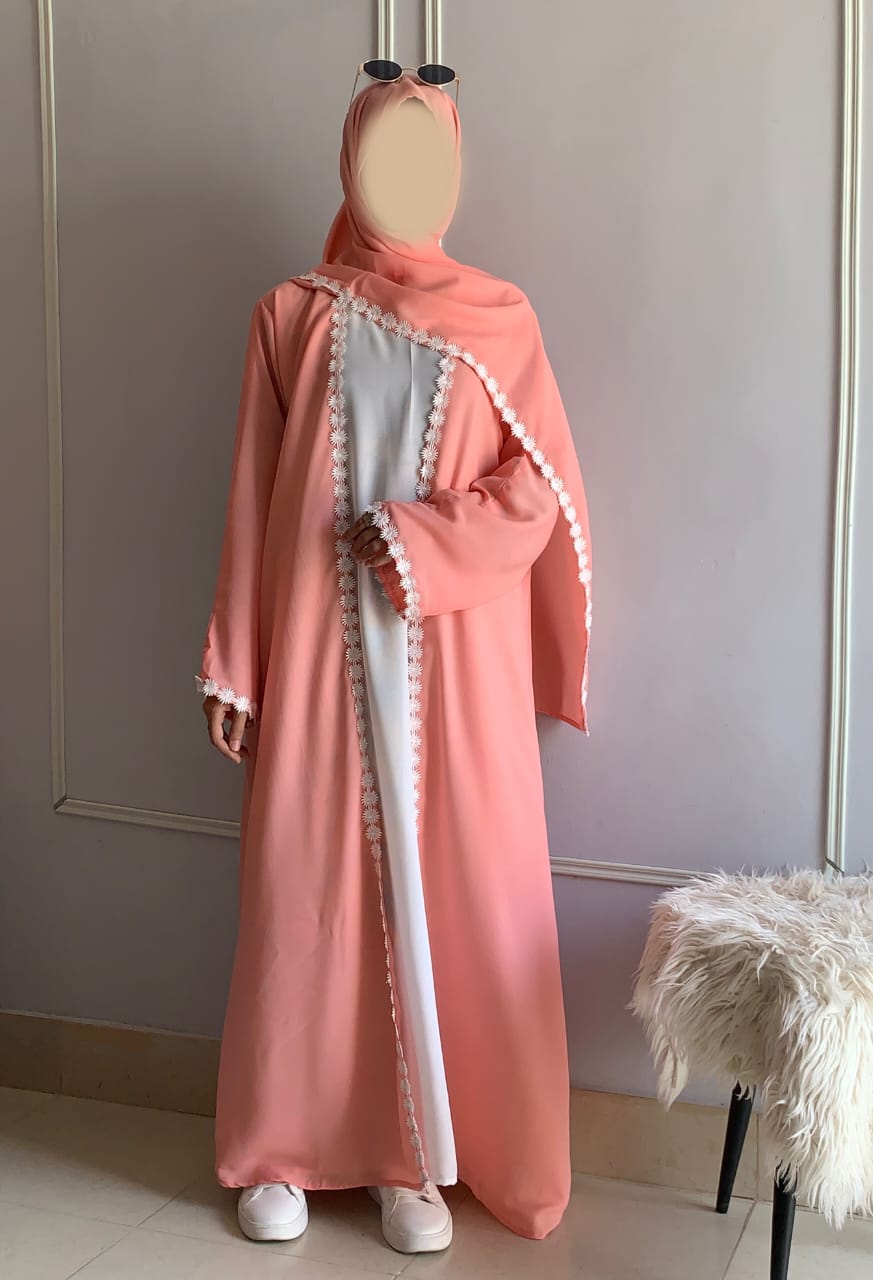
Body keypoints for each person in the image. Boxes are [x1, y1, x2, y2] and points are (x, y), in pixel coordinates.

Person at [195, 69, 592, 1254]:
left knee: (441, 892)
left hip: (449, 664)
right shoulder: (289, 315)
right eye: (385, 155)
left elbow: (539, 496)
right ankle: (282, 1146)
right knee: (307, 892)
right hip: (319, 651)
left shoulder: (502, 321)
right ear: (349, 164)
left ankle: (411, 1157)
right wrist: (237, 660)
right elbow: (252, 501)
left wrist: (423, 539)